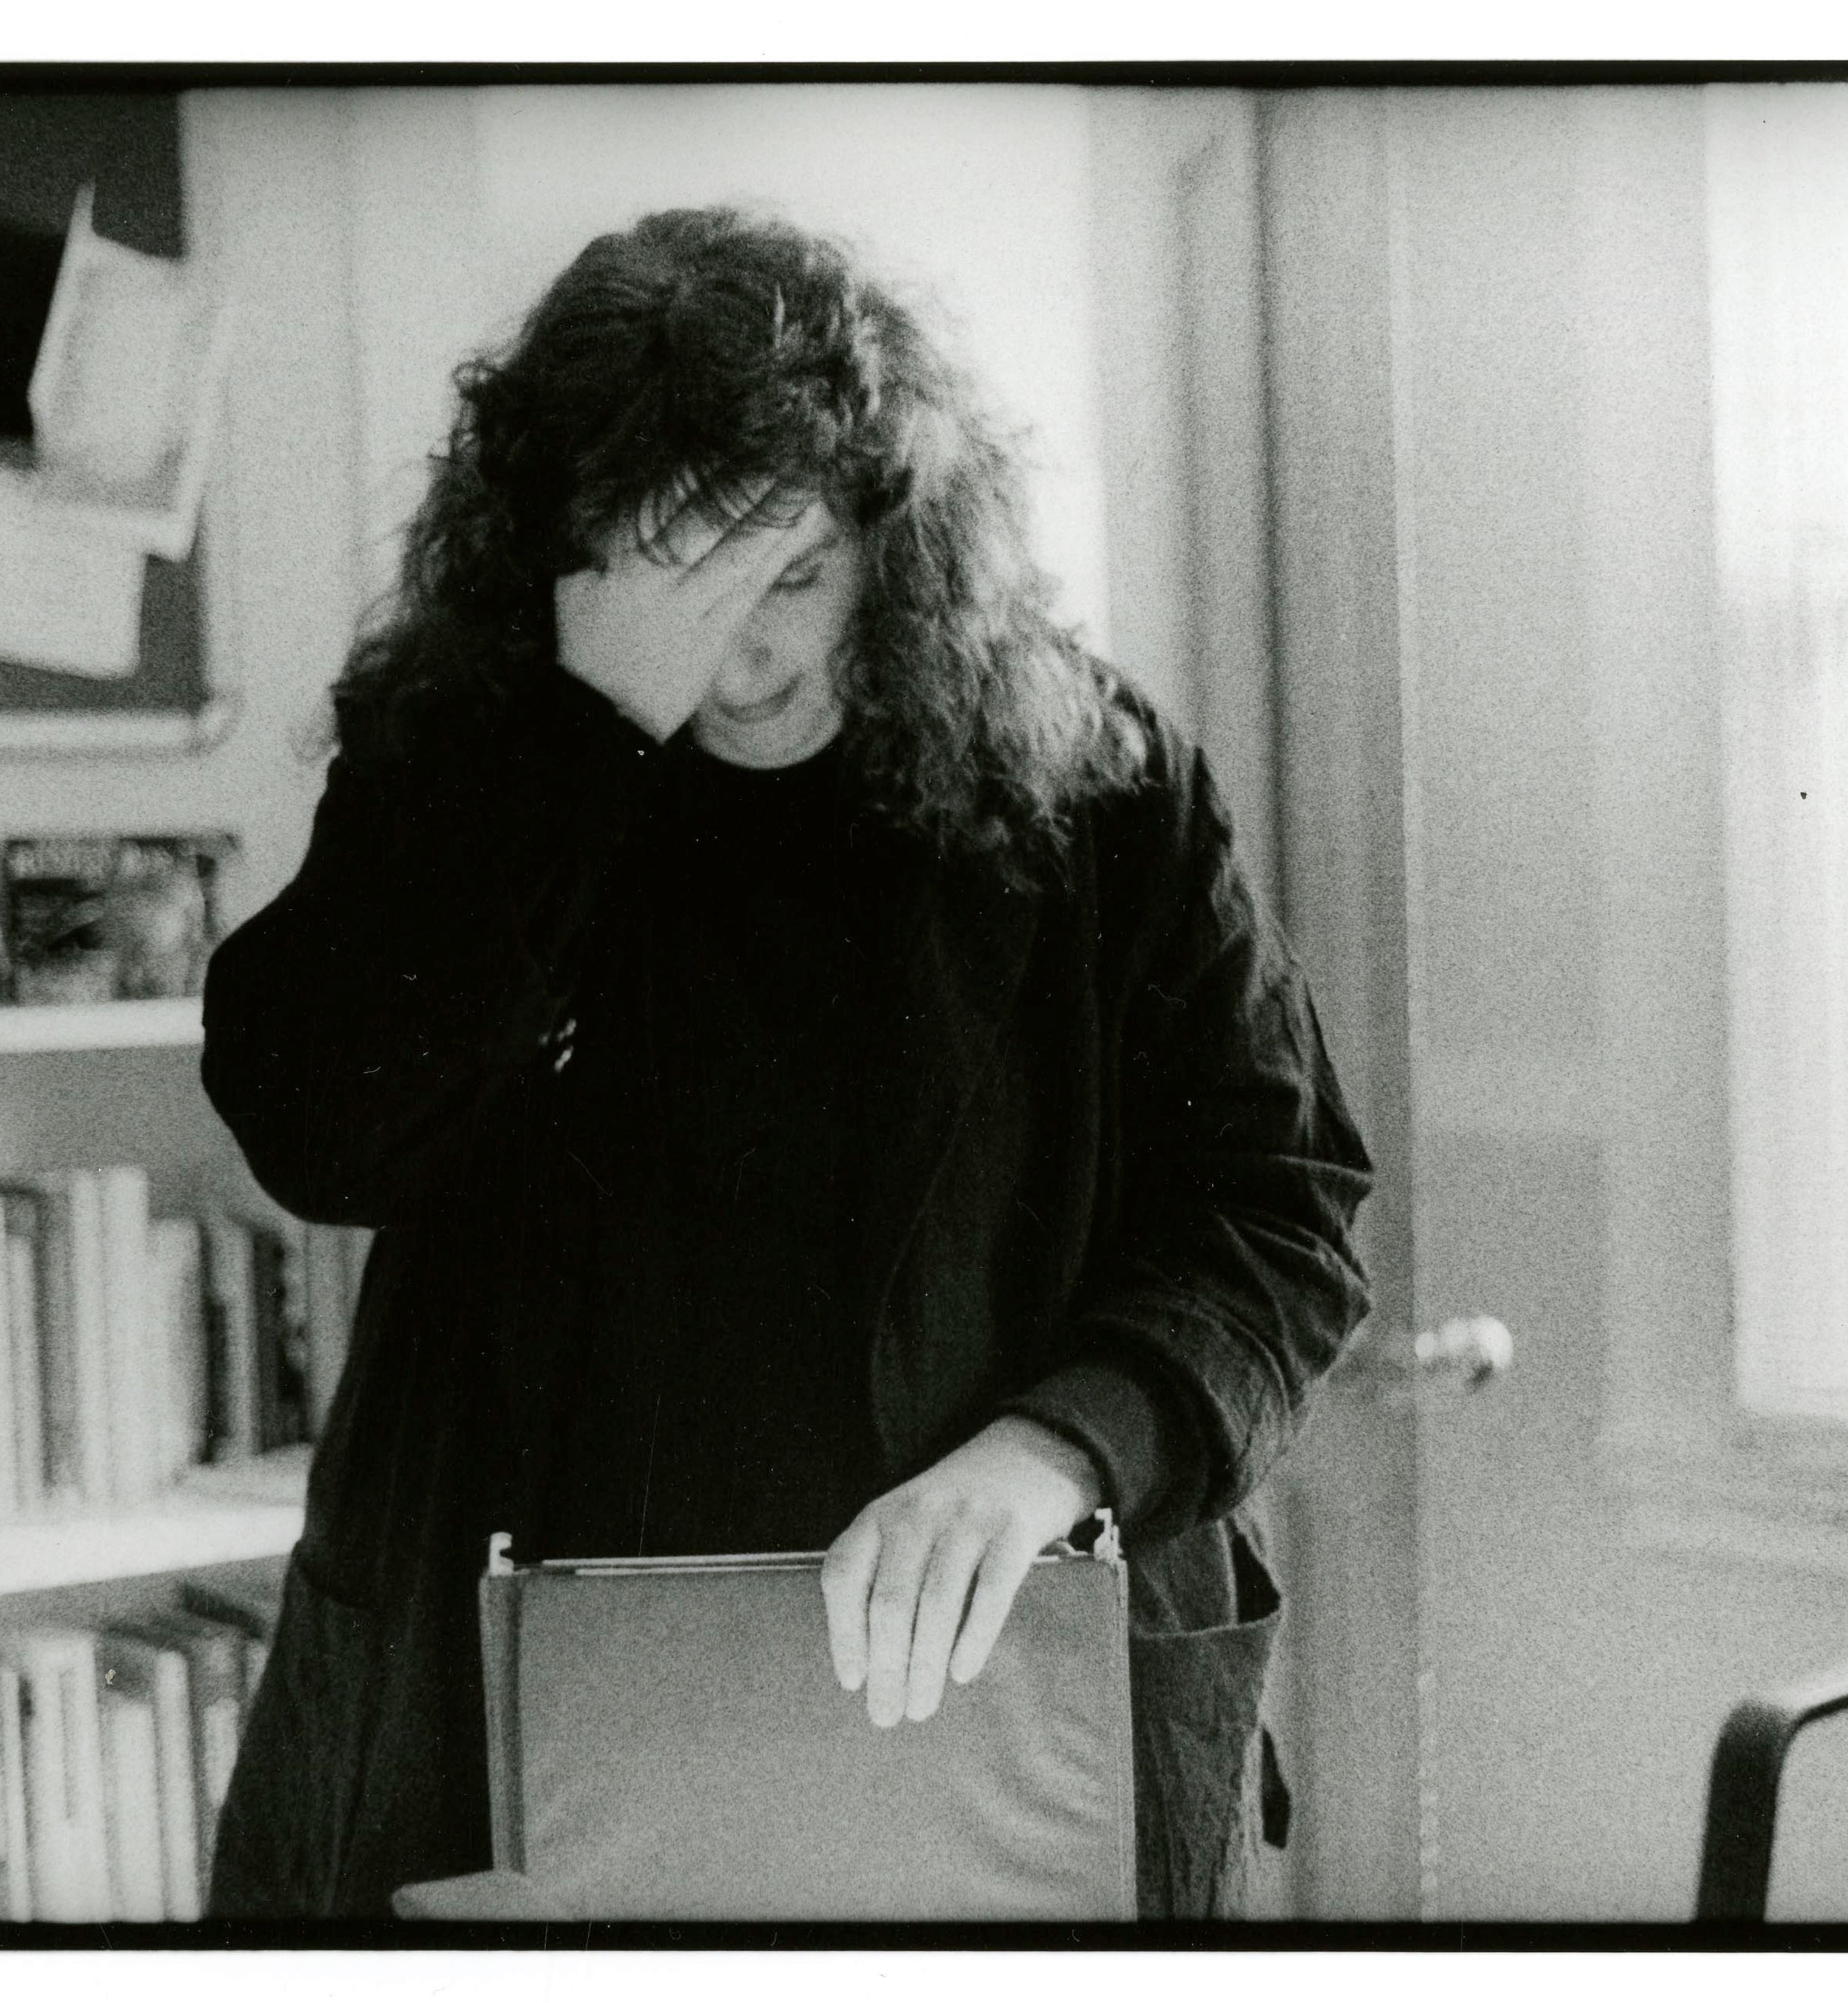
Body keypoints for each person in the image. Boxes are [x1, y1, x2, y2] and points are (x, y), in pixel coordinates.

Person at [201, 206, 1374, 1921]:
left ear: (899, 546)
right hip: (522, 1713)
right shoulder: (465, 759)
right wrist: (587, 732)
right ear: (557, 567)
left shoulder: (1104, 783)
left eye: (791, 579)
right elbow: (317, 1131)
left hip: (996, 1701)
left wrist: (1058, 1450)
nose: (735, 659)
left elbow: (1284, 1213)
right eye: (666, 586)